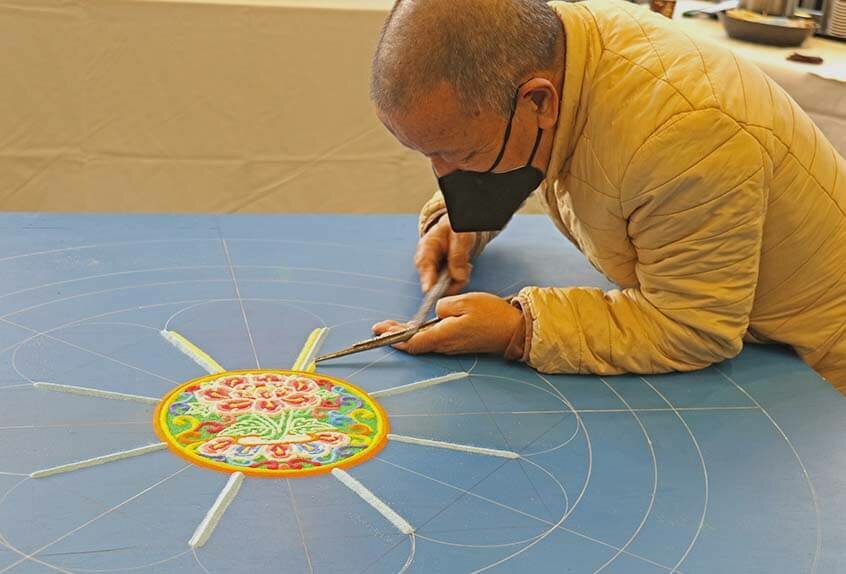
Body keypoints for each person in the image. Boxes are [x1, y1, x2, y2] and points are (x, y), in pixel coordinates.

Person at [368, 0, 846, 390]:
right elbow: (540, 147)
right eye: (428, 152)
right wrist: (464, 218)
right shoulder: (558, 43)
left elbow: (694, 326)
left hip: (817, 363)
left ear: (540, 101)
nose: (443, 174)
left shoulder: (685, 134)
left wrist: (519, 329)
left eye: (461, 152)